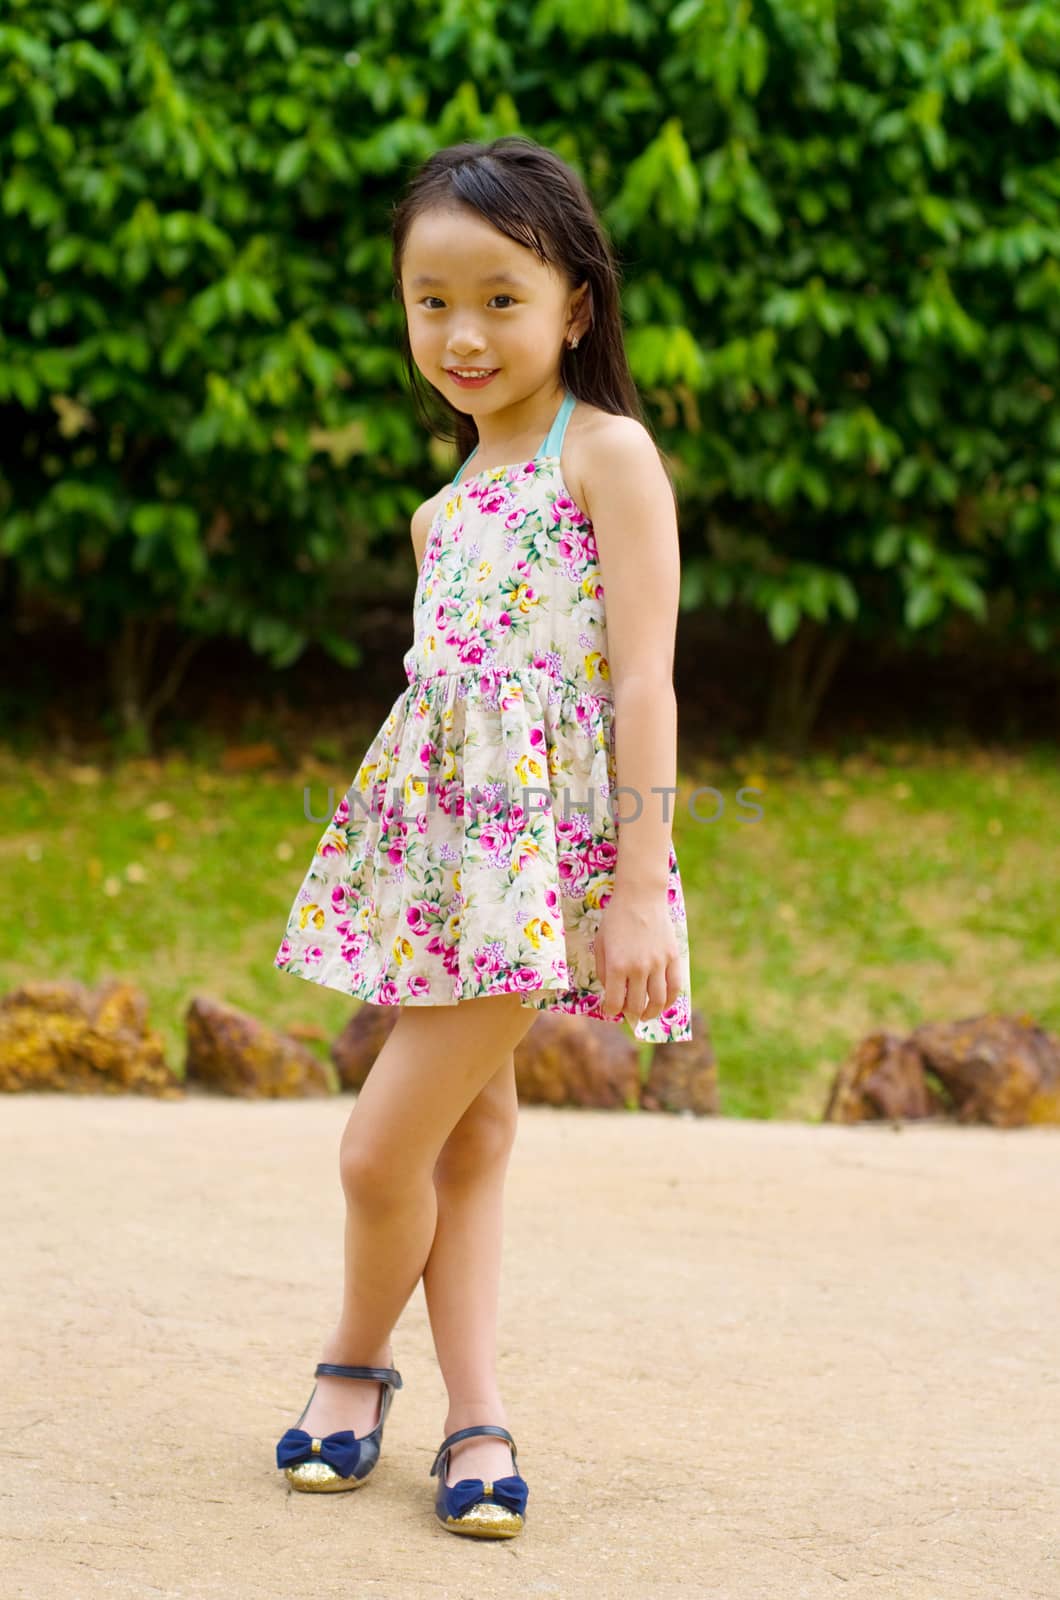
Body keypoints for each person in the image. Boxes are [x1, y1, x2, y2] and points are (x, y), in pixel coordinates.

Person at [271, 135, 694, 1539]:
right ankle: (477, 1415)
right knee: (471, 1137)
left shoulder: (608, 454)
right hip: (439, 866)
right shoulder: (438, 512)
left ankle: (351, 1361)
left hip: (535, 876)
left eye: (500, 298)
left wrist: (643, 885)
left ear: (577, 302)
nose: (460, 332)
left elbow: (642, 678)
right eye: (428, 299)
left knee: (376, 1156)